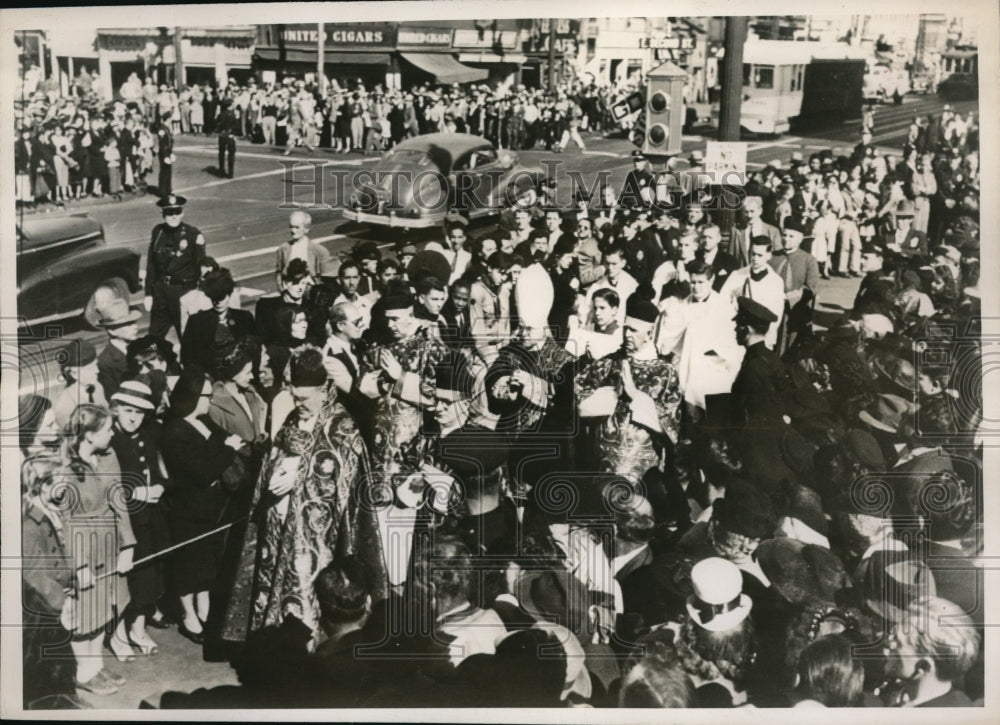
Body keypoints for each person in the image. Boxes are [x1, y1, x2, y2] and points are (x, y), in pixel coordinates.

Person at [222, 347, 388, 648]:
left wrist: (298, 475)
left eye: (304, 398)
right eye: (294, 396)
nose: (297, 404)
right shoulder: (291, 417)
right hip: (280, 528)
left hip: (317, 543)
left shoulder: (344, 429)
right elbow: (276, 455)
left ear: (324, 389)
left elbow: (341, 487)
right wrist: (272, 472)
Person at [55, 404, 136, 694]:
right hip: (85, 547)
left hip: (111, 542)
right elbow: (66, 523)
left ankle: (96, 665)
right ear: (88, 435)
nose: (113, 433)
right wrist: (79, 566)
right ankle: (84, 672)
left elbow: (119, 500)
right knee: (86, 614)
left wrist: (128, 544)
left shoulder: (108, 455)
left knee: (106, 608)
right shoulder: (65, 470)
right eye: (106, 430)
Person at [161, 369, 242, 646]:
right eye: (205, 396)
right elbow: (203, 472)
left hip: (211, 507)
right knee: (188, 565)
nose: (209, 401)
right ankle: (188, 616)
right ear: (191, 397)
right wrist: (226, 451)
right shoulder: (173, 431)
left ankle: (204, 609)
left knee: (207, 563)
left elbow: (219, 444)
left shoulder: (202, 420)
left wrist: (220, 449)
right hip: (188, 511)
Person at [108, 379, 170, 659]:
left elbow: (154, 469)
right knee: (127, 580)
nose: (133, 418)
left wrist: (158, 486)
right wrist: (137, 493)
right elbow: (108, 488)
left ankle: (139, 628)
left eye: (140, 412)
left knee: (149, 575)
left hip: (149, 518)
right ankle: (120, 633)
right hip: (125, 523)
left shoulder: (147, 434)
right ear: (116, 409)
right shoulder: (110, 441)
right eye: (128, 411)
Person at [144, 194, 207, 339]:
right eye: (169, 213)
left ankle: (189, 361)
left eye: (177, 212)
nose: (173, 216)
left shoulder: (193, 235)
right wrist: (148, 293)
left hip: (183, 293)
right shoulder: (158, 232)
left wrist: (201, 292)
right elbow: (151, 265)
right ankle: (152, 358)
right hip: (161, 293)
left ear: (182, 213)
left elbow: (201, 266)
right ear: (163, 215)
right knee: (154, 337)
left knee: (187, 336)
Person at [181, 268, 255, 376]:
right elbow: (187, 357)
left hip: (243, 374)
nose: (218, 302)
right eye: (214, 298)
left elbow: (254, 349)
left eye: (222, 297)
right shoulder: (196, 321)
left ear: (229, 295)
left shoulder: (244, 317)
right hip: (212, 377)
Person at [719, 236, 786, 351]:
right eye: (753, 254)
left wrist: (765, 340)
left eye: (760, 255)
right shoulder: (737, 275)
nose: (755, 258)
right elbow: (722, 301)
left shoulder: (776, 282)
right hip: (737, 335)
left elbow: (776, 315)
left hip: (761, 338)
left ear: (769, 255)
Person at [729, 297, 786, 423]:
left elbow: (750, 410)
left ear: (747, 329)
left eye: (738, 325)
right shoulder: (770, 356)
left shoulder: (754, 365)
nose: (735, 329)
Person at [95, 298, 142, 403]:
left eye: (134, 322)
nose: (135, 327)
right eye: (129, 324)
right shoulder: (105, 362)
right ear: (112, 331)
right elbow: (114, 398)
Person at [274, 211, 331, 289]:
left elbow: (326, 278)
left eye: (297, 227)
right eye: (291, 227)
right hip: (289, 292)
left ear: (306, 229)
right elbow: (279, 272)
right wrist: (281, 289)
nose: (293, 231)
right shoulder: (283, 249)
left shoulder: (320, 251)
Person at [216, 98, 238, 178]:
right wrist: (233, 134)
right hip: (230, 135)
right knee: (231, 154)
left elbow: (217, 124)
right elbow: (236, 126)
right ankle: (230, 173)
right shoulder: (232, 115)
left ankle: (221, 171)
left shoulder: (221, 114)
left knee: (221, 153)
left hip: (222, 135)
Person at [156, 114, 174, 196]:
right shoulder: (162, 129)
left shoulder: (166, 128)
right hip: (164, 153)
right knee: (164, 172)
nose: (171, 120)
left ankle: (168, 190)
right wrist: (165, 156)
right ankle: (162, 192)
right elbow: (162, 143)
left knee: (168, 171)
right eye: (170, 119)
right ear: (167, 119)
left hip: (168, 152)